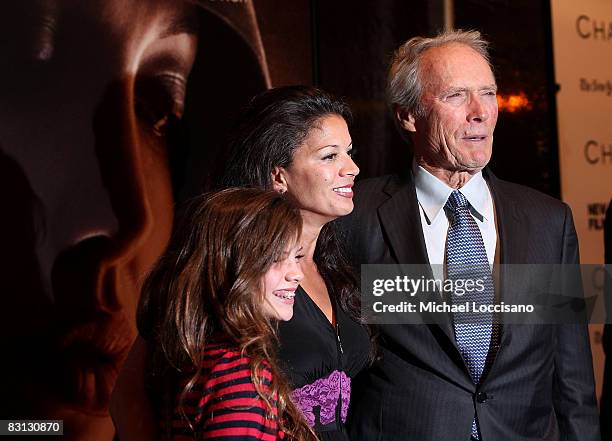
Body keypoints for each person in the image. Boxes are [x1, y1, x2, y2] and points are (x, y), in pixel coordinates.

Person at [340, 30, 600, 441]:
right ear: (407, 115)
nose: (480, 111)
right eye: (456, 96)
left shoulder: (549, 221)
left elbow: (573, 382)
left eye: (489, 93)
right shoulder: (354, 217)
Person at [112, 86, 371, 441]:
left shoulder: (339, 265)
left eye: (349, 152)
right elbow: (129, 399)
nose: (352, 168)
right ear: (279, 175)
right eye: (329, 156)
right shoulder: (223, 266)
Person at [138, 187, 316, 440]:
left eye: (296, 256)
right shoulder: (238, 374)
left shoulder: (204, 356)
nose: (296, 273)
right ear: (230, 266)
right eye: (276, 258)